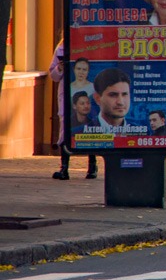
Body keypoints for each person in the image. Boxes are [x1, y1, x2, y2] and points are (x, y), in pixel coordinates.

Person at [48, 42, 98, 180]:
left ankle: (92, 166)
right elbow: (53, 76)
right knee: (65, 131)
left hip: (85, 101)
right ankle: (64, 168)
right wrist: (60, 68)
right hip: (66, 96)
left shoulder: (88, 43)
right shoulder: (61, 47)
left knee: (89, 130)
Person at [92, 66, 133, 132]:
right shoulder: (78, 133)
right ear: (97, 98)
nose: (120, 102)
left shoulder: (143, 133)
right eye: (113, 95)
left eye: (125, 94)